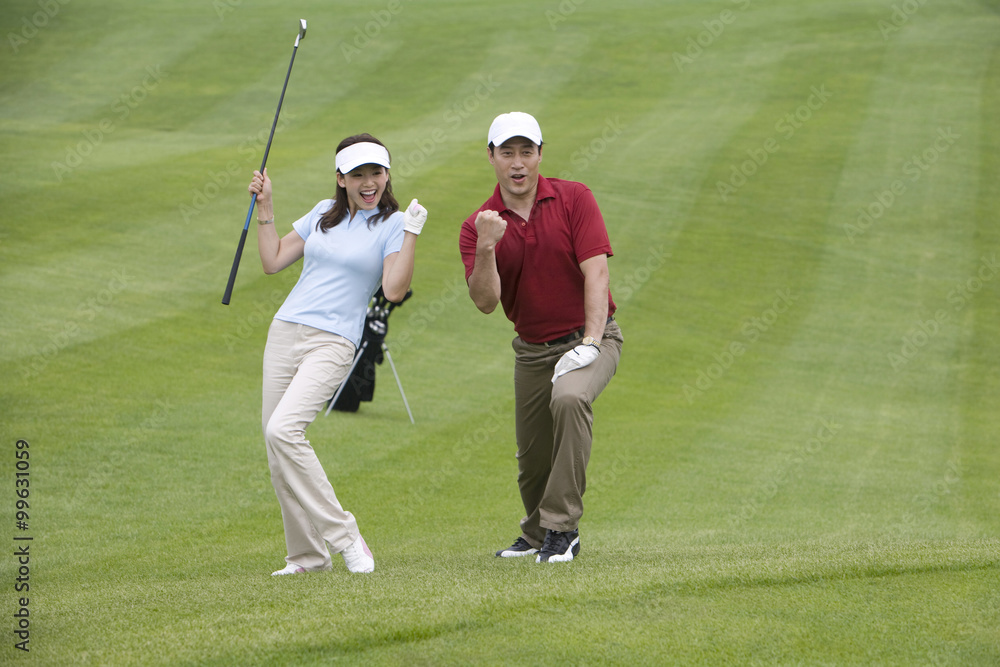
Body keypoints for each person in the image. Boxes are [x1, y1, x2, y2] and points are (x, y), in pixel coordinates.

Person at [248, 133, 427, 575]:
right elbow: (272, 261)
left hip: (334, 341)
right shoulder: (322, 216)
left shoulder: (393, 224)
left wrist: (411, 235)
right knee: (277, 451)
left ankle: (347, 537)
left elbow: (393, 289)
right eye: (358, 174)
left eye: (377, 173)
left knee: (284, 430)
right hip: (285, 330)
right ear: (341, 178)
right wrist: (265, 207)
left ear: (387, 175)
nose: (369, 183)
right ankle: (307, 557)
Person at [459, 112, 623, 563]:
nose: (518, 163)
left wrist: (590, 342)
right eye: (507, 152)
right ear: (491, 156)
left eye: (526, 152)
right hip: (532, 352)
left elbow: (597, 272)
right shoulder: (478, 225)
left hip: (593, 336)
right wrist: (489, 245)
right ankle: (535, 533)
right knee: (532, 463)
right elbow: (486, 301)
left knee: (570, 398)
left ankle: (561, 530)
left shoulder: (574, 198)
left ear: (540, 154)